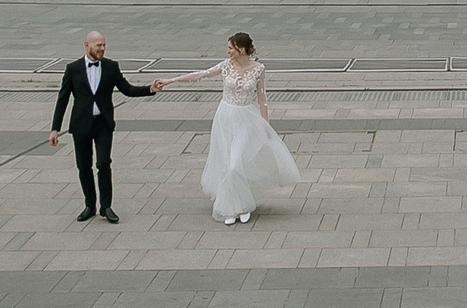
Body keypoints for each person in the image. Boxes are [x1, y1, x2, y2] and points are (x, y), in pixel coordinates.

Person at [155, 31, 300, 224]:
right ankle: (232, 208)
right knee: (226, 164)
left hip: (246, 119)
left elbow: (262, 99)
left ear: (241, 49)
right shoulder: (225, 66)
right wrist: (171, 80)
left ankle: (244, 205)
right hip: (225, 118)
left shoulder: (258, 69)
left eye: (231, 48)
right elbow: (200, 75)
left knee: (235, 164)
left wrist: (265, 124)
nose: (228, 51)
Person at [49, 30, 153, 223]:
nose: (102, 49)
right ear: (86, 45)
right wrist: (55, 128)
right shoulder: (73, 69)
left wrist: (149, 89)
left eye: (104, 45)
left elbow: (127, 89)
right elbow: (62, 99)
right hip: (81, 125)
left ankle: (106, 207)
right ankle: (90, 205)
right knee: (84, 166)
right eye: (98, 45)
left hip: (103, 124)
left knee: (103, 163)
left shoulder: (111, 67)